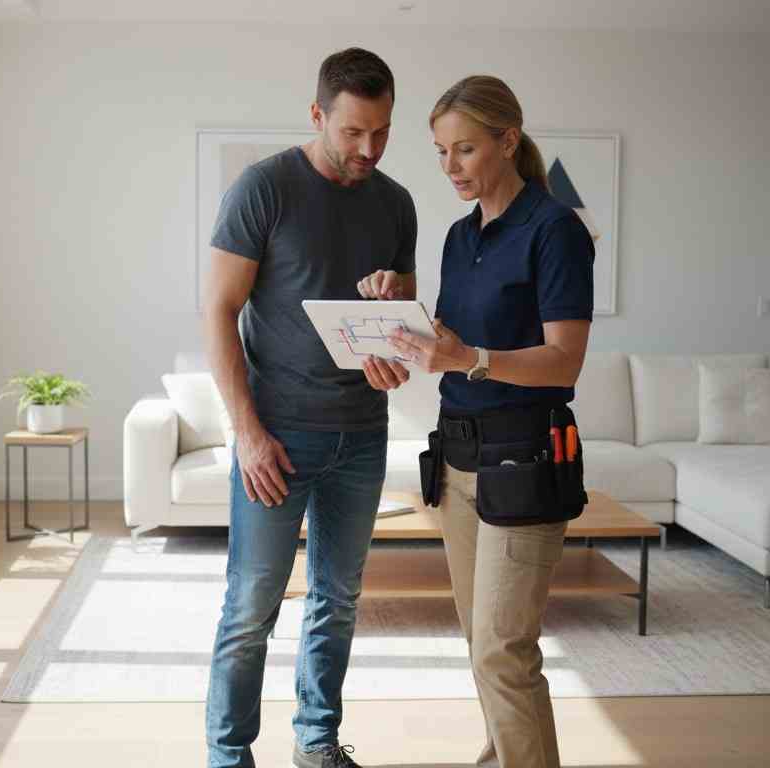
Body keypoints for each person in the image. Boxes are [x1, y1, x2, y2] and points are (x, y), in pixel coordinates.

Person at [361, 74, 594, 768]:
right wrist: (394, 303)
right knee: (480, 642)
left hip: (524, 460)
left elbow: (564, 362)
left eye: (464, 149)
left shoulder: (554, 230)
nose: (450, 167)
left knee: (502, 649)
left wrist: (470, 357)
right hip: (458, 459)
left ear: (508, 140)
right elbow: (449, 343)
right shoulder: (460, 238)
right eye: (440, 152)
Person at [203, 47, 418, 768]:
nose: (369, 148)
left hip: (361, 436)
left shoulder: (396, 203)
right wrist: (247, 434)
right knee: (251, 609)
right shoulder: (263, 189)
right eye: (354, 131)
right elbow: (218, 313)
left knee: (338, 601)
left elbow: (405, 343)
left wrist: (394, 322)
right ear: (318, 114)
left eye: (382, 131)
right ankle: (229, 756)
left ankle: (317, 743)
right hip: (278, 437)